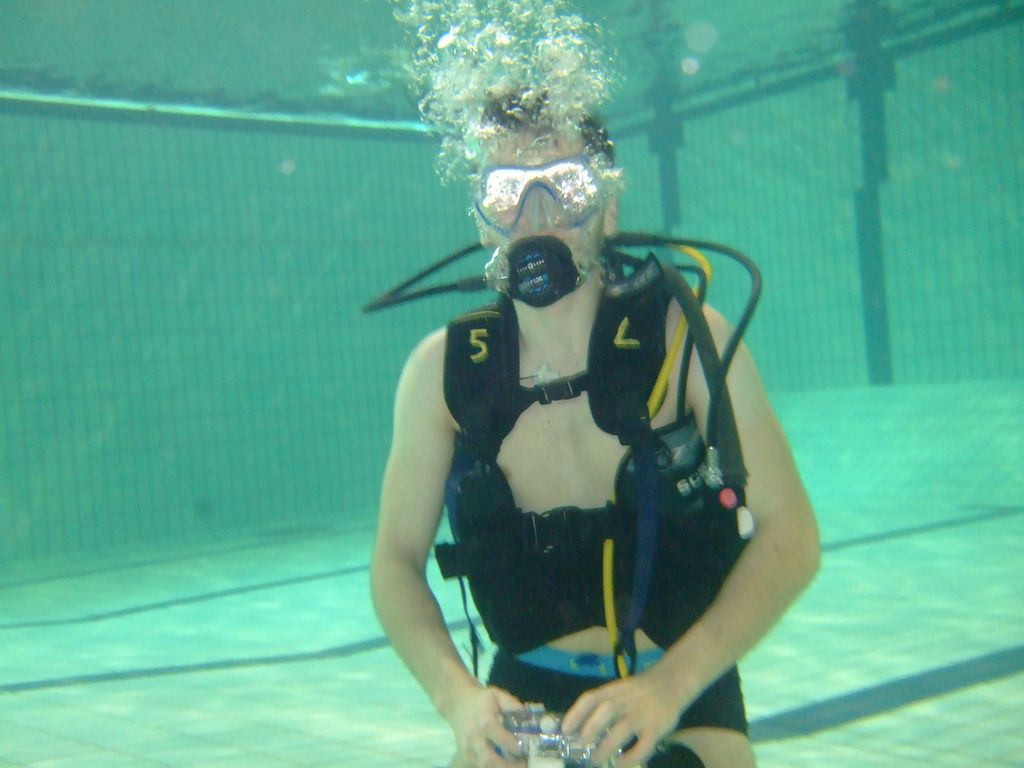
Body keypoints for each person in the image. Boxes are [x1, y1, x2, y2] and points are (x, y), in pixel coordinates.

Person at [370, 88, 821, 768]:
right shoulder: (443, 372)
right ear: (484, 220)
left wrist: (671, 687)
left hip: (680, 686)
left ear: (608, 207)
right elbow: (394, 562)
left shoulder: (688, 341)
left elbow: (793, 537)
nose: (538, 218)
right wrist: (458, 699)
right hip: (519, 696)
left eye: (567, 187)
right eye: (508, 193)